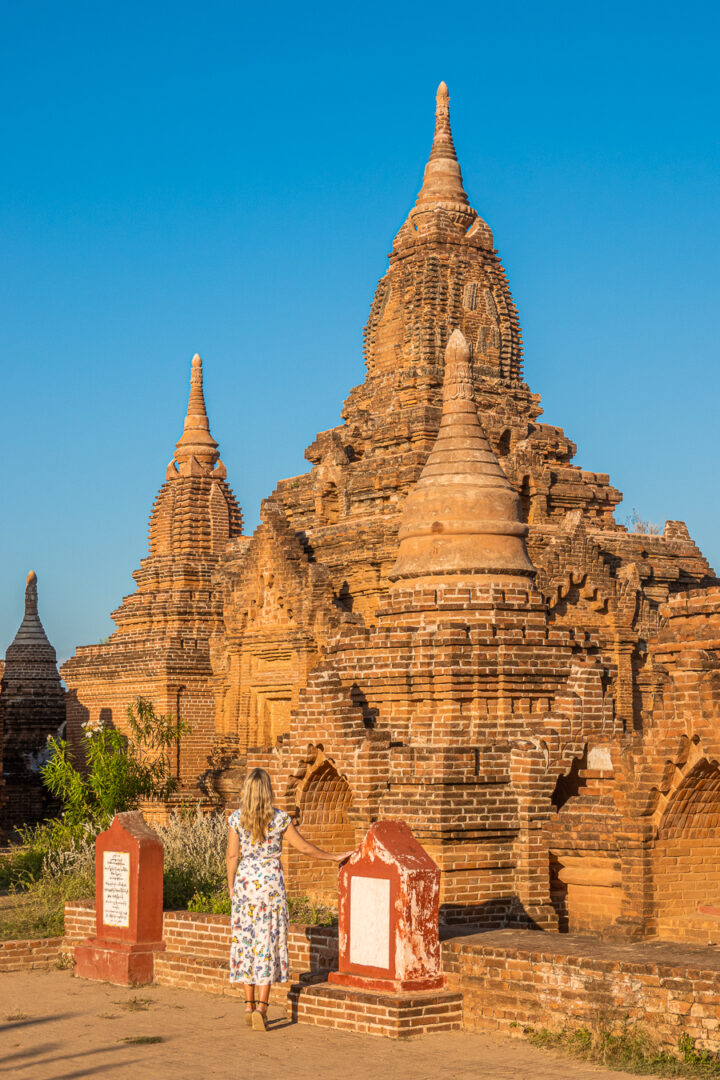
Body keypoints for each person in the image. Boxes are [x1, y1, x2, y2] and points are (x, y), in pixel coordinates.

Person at [226, 767, 353, 1031]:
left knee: (246, 943)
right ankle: (262, 1007)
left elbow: (231, 856)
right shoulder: (280, 819)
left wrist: (231, 889)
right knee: (267, 943)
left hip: (246, 886)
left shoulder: (236, 819)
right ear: (267, 792)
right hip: (271, 887)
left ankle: (248, 1005)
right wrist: (331, 857)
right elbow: (304, 847)